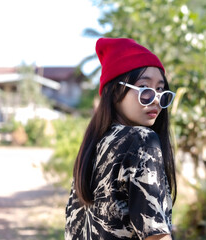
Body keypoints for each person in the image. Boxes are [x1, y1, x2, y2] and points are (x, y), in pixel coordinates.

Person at [65, 38, 177, 240]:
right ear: (116, 91)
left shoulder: (94, 147)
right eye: (145, 89)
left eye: (160, 90)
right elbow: (156, 236)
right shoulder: (141, 140)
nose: (156, 100)